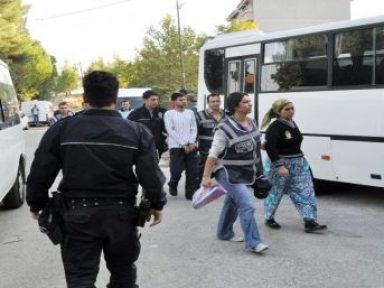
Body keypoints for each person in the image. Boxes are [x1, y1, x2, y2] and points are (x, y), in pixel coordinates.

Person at [26, 71, 167, 288]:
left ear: (85, 96)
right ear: (115, 97)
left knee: (80, 279)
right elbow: (150, 174)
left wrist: (36, 203)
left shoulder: (62, 129)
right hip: (121, 216)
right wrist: (156, 203)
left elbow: (40, 172)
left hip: (77, 216)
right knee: (123, 275)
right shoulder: (136, 131)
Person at [202, 92, 269, 254]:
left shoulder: (252, 122)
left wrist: (264, 146)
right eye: (246, 102)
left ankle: (224, 232)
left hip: (246, 172)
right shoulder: (224, 128)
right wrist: (206, 176)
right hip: (227, 172)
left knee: (231, 202)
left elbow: (252, 144)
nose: (250, 104)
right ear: (236, 106)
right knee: (247, 204)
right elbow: (213, 154)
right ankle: (253, 242)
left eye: (249, 101)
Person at [261, 98, 327, 233]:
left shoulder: (292, 123)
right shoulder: (275, 127)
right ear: (279, 112)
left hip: (298, 163)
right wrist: (279, 166)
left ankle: (309, 221)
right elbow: (270, 146)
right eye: (287, 109)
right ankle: (269, 218)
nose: (291, 111)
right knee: (275, 191)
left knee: (306, 190)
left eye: (292, 108)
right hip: (280, 164)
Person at [164, 92, 198, 200]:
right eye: (181, 100)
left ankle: (190, 193)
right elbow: (171, 130)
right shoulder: (169, 114)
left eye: (185, 100)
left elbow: (194, 128)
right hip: (176, 146)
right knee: (176, 171)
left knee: (191, 171)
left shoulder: (190, 113)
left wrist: (192, 142)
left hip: (191, 146)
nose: (184, 102)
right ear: (174, 102)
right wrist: (183, 143)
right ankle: (172, 184)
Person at [195, 93, 226, 184]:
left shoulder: (227, 115)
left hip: (224, 149)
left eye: (218, 101)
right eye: (213, 101)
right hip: (206, 149)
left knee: (225, 169)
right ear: (208, 103)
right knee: (203, 170)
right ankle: (199, 189)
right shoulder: (199, 115)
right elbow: (194, 132)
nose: (216, 103)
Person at [128, 90, 168, 160]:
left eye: (157, 99)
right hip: (142, 148)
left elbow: (169, 129)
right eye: (153, 100)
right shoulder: (135, 114)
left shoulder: (163, 112)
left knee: (157, 169)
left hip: (159, 147)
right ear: (144, 100)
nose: (156, 102)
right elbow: (129, 131)